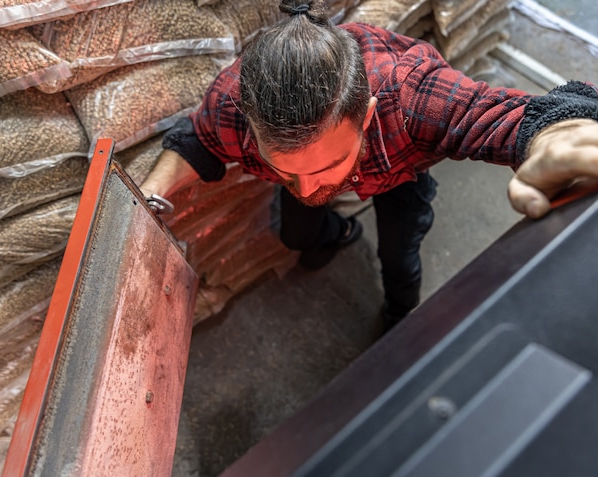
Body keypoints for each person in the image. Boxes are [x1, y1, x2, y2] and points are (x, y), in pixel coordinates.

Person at [140, 0, 598, 331]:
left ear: (368, 114)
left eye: (328, 164)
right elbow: (197, 140)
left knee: (400, 255)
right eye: (284, 167)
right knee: (295, 231)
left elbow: (496, 112)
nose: (307, 186)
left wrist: (558, 129)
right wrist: (147, 200)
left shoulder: (410, 97)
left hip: (398, 171)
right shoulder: (232, 104)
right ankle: (341, 234)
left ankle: (400, 321)